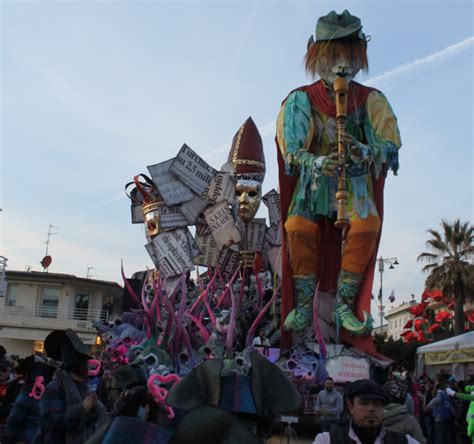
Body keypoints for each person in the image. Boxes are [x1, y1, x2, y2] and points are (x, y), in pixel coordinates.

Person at [276, 10, 401, 336]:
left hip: (355, 178)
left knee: (367, 223)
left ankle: (346, 302)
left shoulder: (371, 100)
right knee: (297, 224)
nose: (341, 64)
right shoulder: (300, 99)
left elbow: (389, 145)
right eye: (333, 55)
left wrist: (366, 150)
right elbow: (292, 150)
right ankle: (304, 304)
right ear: (316, 55)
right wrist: (313, 162)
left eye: (348, 55)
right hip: (315, 179)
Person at [39, 329, 107, 444]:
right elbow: (50, 422)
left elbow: (98, 418)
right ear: (76, 366)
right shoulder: (55, 387)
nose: (86, 368)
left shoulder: (83, 387)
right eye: (83, 364)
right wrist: (82, 409)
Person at [313, 379, 419, 443]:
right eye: (364, 403)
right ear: (350, 406)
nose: (371, 409)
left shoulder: (405, 441)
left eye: (377, 403)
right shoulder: (328, 440)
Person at [1, 356, 53, 444]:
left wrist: (7, 437)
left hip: (24, 438)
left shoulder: (26, 396)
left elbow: (13, 420)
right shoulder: (50, 394)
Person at [424, 379, 455, 444]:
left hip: (439, 418)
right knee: (444, 435)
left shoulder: (440, 395)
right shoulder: (446, 396)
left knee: (439, 436)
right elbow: (450, 407)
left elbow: (432, 403)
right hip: (446, 418)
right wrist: (454, 414)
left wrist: (426, 408)